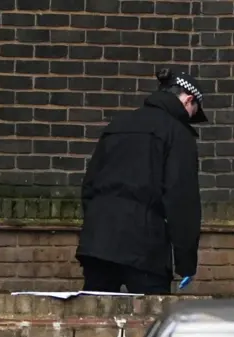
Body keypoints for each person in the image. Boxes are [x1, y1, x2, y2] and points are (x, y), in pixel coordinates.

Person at [76, 68, 207, 295]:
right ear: (189, 100)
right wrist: (186, 262)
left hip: (98, 241)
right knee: (152, 317)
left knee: (94, 316)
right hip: (145, 244)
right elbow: (181, 200)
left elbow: (89, 186)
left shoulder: (117, 125)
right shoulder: (177, 133)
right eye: (194, 111)